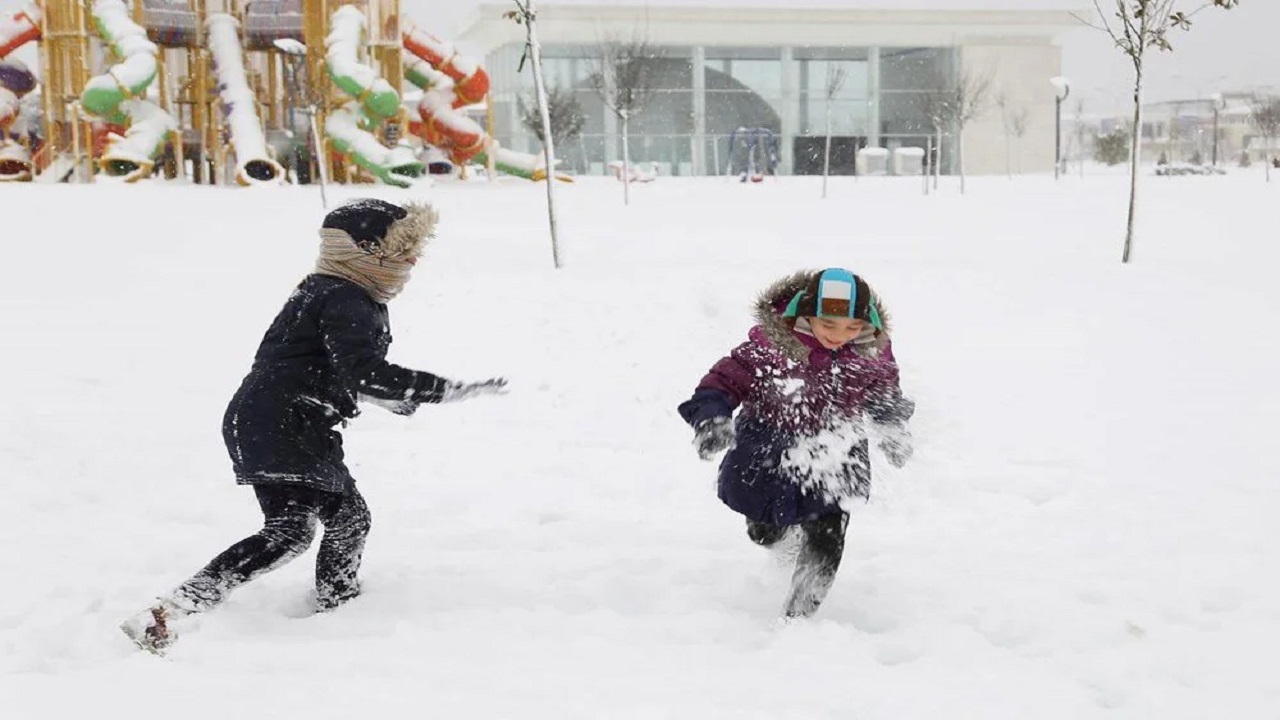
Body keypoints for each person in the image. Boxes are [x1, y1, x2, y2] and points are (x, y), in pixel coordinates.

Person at [121, 198, 507, 652]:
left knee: (342, 521)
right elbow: (359, 370)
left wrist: (380, 396)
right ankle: (172, 612)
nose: (414, 260)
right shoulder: (344, 297)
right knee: (296, 530)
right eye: (403, 248)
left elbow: (322, 366)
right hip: (283, 422)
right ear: (367, 250)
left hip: (281, 419)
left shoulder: (334, 292)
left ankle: (336, 603)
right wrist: (438, 388)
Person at [677, 268, 914, 619]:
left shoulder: (871, 352)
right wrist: (712, 418)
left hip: (836, 448)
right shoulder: (770, 348)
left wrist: (892, 427)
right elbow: (721, 383)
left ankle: (800, 618)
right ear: (805, 315)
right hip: (767, 448)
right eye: (829, 325)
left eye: (852, 327)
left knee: (829, 531)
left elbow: (884, 394)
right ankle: (779, 539)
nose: (840, 336)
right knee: (764, 530)